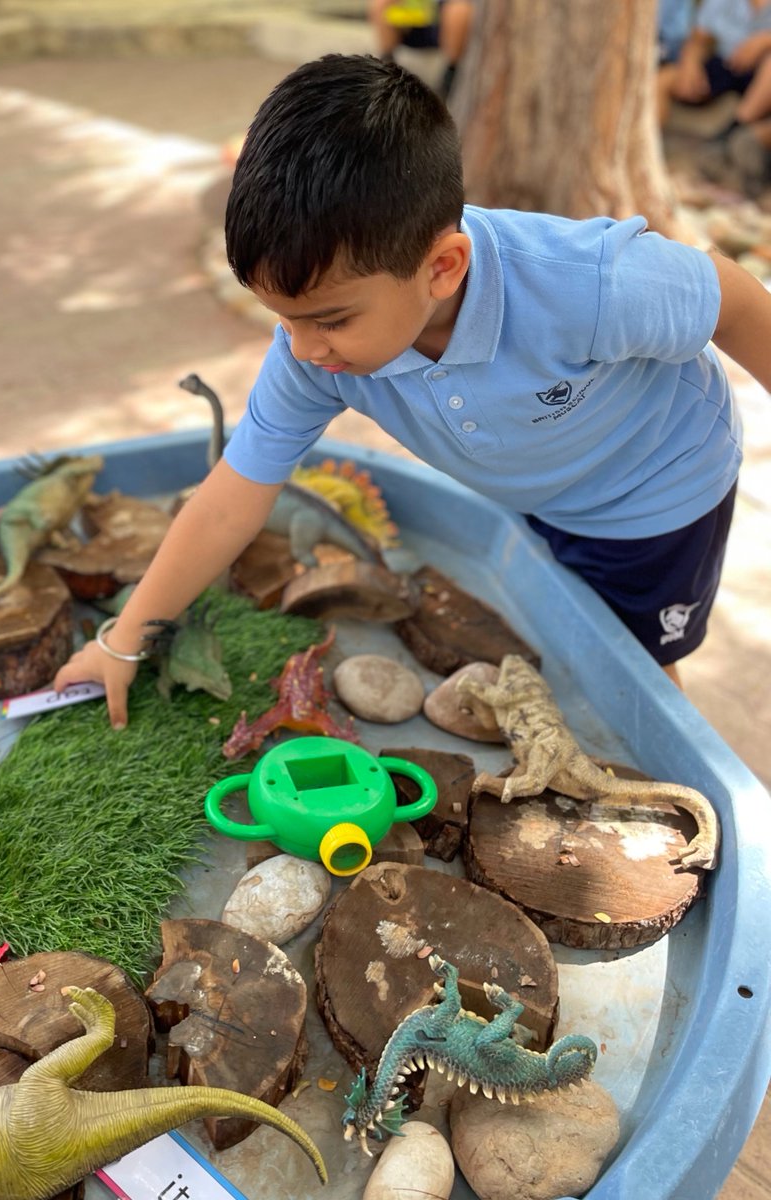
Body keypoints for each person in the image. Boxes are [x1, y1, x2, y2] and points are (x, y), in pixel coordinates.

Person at [54, 54, 769, 728]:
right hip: (537, 489)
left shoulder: (585, 282)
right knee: (571, 636)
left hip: (651, 495)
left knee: (635, 667)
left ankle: (686, 794)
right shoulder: (317, 353)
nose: (302, 349)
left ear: (443, 267)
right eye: (285, 321)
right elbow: (227, 501)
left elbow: (734, 302)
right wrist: (122, 642)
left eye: (329, 319)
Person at [657, 0, 771, 130]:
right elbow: (700, 36)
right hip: (724, 63)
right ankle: (643, 143)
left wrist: (765, 41)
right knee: (661, 80)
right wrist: (690, 63)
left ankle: (736, 129)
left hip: (762, 74)